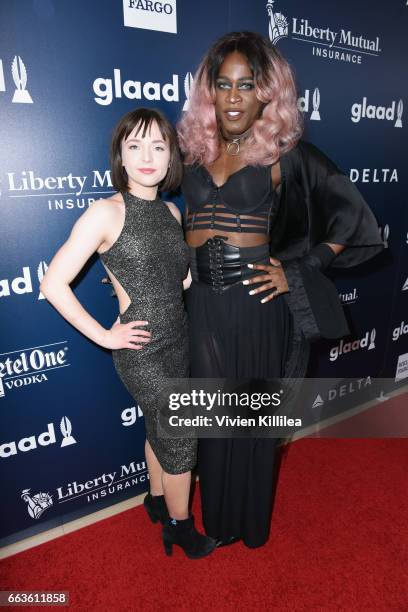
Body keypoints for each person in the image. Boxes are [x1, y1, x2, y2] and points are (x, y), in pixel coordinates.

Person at [177, 31, 384, 548]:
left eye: (246, 85)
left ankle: (249, 526)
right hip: (203, 303)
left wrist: (299, 269)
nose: (232, 97)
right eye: (222, 85)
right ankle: (220, 522)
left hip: (257, 305)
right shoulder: (196, 153)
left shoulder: (284, 155)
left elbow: (355, 223)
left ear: (267, 93)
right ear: (209, 93)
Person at [40, 108, 216, 559]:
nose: (146, 156)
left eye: (158, 146)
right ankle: (180, 526)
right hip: (140, 351)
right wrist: (103, 336)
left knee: (159, 428)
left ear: (171, 156)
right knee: (179, 435)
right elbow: (52, 284)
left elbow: (175, 279)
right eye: (134, 145)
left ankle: (156, 499)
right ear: (119, 153)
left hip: (178, 339)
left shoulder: (173, 213)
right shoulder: (104, 212)